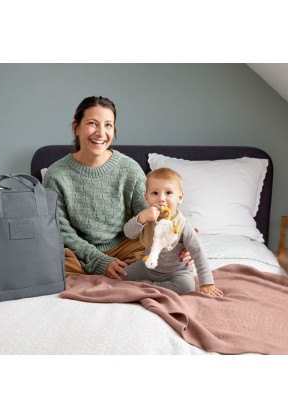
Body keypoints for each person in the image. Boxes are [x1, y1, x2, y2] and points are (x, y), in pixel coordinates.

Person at [42, 96, 193, 279]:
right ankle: (109, 274)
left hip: (125, 245)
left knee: (156, 258)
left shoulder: (128, 169)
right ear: (76, 128)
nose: (101, 133)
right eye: (92, 123)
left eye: (108, 125)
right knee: (48, 263)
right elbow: (62, 231)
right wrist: (98, 261)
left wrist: (181, 240)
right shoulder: (55, 175)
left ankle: (124, 273)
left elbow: (152, 218)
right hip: (78, 252)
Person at [123, 167, 223, 296]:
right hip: (148, 267)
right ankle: (148, 284)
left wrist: (206, 283)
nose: (161, 198)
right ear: (146, 197)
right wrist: (141, 218)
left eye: (168, 193)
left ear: (180, 197)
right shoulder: (147, 218)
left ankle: (147, 285)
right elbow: (129, 233)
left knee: (186, 287)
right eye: (155, 193)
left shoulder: (183, 225)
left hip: (177, 272)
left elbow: (198, 253)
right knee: (122, 275)